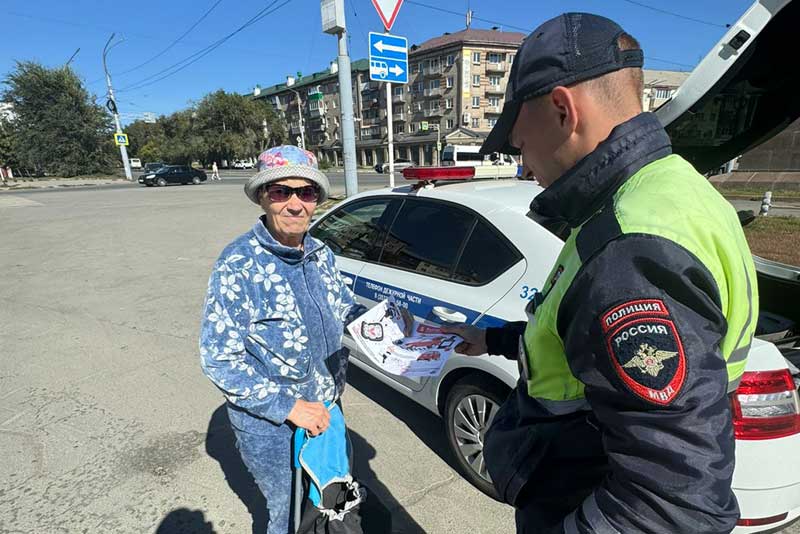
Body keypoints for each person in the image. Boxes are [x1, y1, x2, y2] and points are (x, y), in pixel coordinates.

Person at [443, 13, 758, 534]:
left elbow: (675, 504)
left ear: (563, 109)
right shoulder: (675, 191)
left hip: (578, 495)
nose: (524, 168)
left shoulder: (628, 246)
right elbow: (586, 350)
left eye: (521, 145)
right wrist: (498, 339)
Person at [199, 145, 364, 534]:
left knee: (331, 500)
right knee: (287, 513)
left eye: (305, 193)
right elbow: (219, 358)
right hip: (273, 426)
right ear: (262, 197)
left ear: (316, 200)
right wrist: (289, 406)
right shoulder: (238, 263)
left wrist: (393, 330)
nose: (294, 204)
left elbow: (344, 308)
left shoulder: (321, 252)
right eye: (281, 192)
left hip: (326, 409)